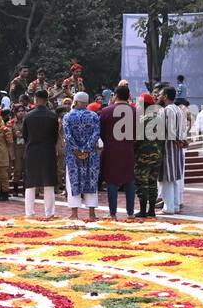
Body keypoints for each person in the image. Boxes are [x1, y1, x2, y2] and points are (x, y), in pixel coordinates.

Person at [61, 92, 101, 220]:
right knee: (91, 181)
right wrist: (87, 149)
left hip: (73, 155)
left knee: (73, 182)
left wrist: (78, 150)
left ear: (76, 101)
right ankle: (92, 213)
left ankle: (74, 213)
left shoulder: (67, 117)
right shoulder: (94, 116)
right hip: (91, 155)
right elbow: (96, 134)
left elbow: (67, 136)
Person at [99, 85, 136, 220]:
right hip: (128, 149)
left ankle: (113, 213)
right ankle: (130, 213)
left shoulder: (106, 111)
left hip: (111, 150)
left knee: (112, 181)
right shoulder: (135, 111)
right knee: (129, 180)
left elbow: (101, 132)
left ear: (115, 95)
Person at [22, 91, 59, 219]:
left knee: (30, 183)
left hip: (32, 152)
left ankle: (29, 213)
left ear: (35, 99)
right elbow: (55, 136)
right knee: (48, 183)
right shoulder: (53, 116)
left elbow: (25, 136)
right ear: (46, 99)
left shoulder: (28, 116)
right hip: (48, 151)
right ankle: (49, 213)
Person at [159, 87, 189, 215]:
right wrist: (182, 142)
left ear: (165, 96)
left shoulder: (167, 110)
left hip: (168, 147)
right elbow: (183, 129)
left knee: (167, 178)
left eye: (160, 94)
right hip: (177, 148)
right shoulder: (178, 110)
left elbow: (169, 130)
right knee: (175, 177)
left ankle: (168, 207)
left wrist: (177, 141)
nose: (159, 96)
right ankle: (175, 205)